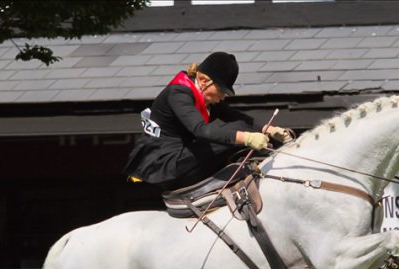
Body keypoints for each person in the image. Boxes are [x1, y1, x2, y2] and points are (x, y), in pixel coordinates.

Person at [124, 51, 293, 190]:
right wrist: (248, 138)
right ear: (204, 81)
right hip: (164, 166)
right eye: (221, 91)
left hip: (180, 160)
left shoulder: (204, 96)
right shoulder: (178, 94)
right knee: (236, 131)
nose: (222, 98)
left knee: (238, 125)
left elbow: (236, 115)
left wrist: (270, 130)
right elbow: (202, 130)